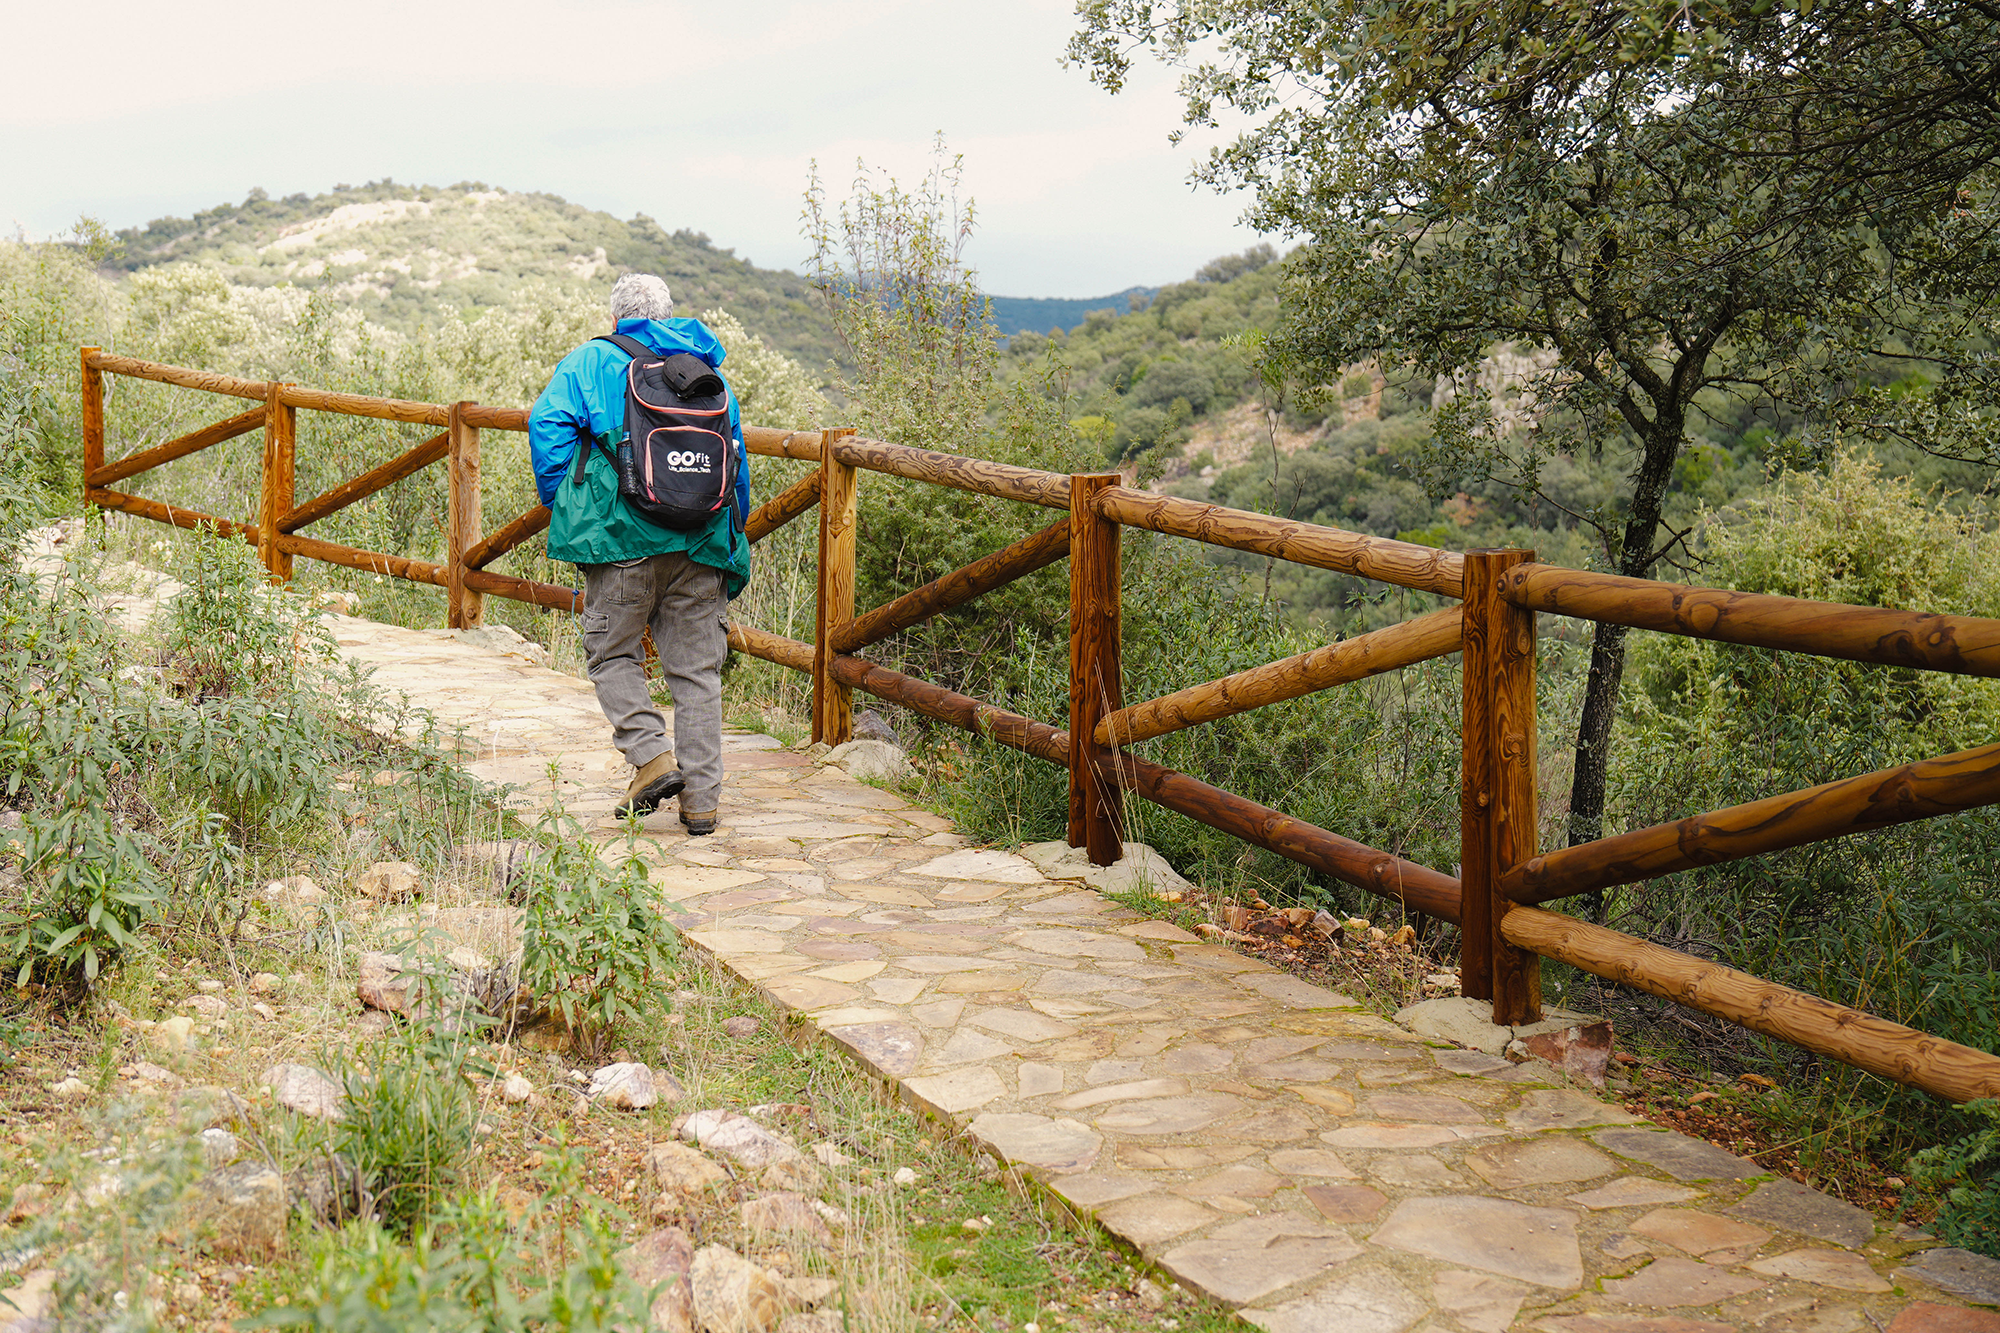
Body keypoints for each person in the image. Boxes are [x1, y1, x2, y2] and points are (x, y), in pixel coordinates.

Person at [528, 274, 751, 833]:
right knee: (698, 673)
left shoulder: (590, 363)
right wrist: (731, 531)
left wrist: (570, 502)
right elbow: (737, 462)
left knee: (612, 655)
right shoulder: (706, 370)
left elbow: (545, 426)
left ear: (615, 319)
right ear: (668, 315)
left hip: (621, 543)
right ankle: (702, 804)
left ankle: (651, 758)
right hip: (701, 543)